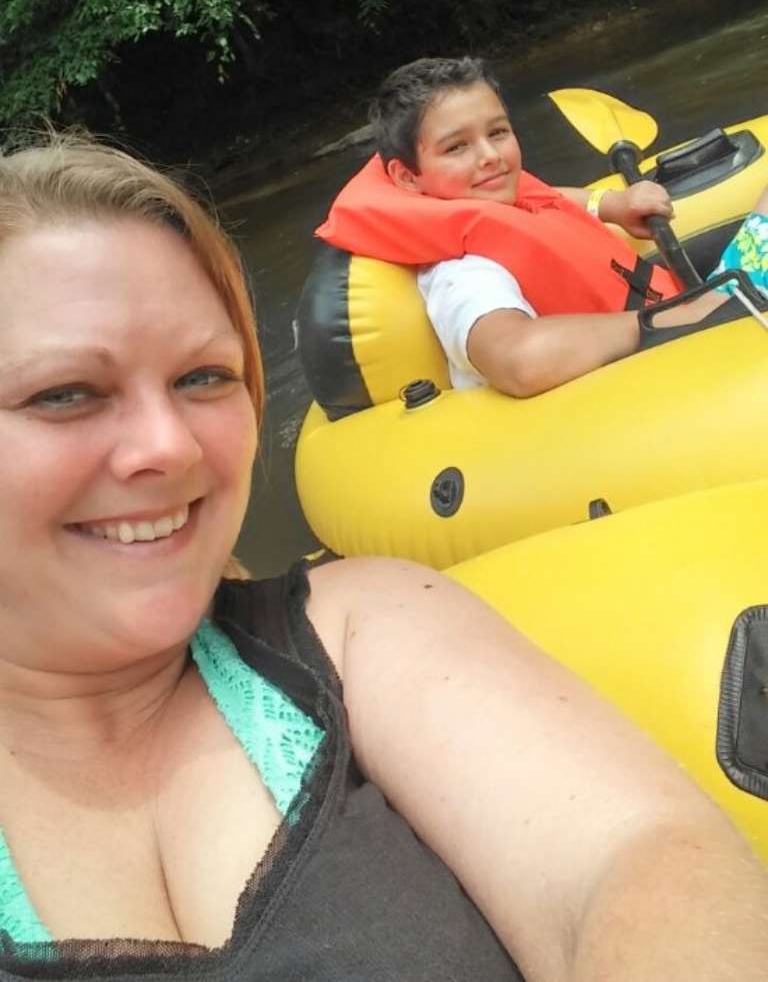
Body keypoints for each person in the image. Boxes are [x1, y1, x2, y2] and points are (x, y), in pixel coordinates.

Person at [0, 132, 767, 982]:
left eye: (204, 378)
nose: (169, 447)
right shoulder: (457, 273)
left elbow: (636, 853)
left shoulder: (359, 625)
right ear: (408, 174)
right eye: (64, 393)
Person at [333, 56, 768, 396]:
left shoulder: (496, 198)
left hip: (699, 316)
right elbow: (520, 359)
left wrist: (611, 203)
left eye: (498, 132)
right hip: (678, 356)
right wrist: (668, 318)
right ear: (408, 177)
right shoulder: (464, 275)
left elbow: (548, 198)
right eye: (457, 147)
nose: (489, 155)